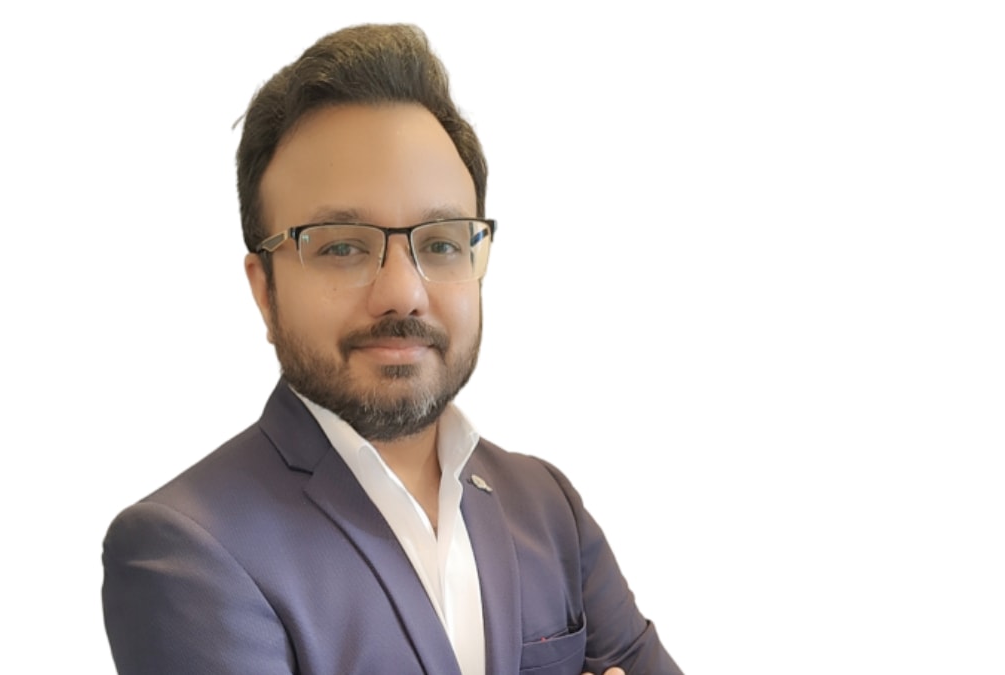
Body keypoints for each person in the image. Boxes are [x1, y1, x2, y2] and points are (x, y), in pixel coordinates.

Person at [101, 23, 682, 675]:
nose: (403, 293)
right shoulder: (183, 549)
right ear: (264, 289)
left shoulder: (547, 506)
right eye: (342, 246)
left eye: (441, 243)